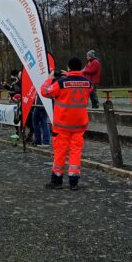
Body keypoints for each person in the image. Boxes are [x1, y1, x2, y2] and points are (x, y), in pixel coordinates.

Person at [41, 57, 91, 189]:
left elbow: (45, 91)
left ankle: (57, 181)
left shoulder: (61, 83)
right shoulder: (88, 83)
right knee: (76, 152)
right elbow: (84, 87)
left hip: (62, 125)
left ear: (68, 67)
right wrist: (71, 75)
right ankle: (74, 182)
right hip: (79, 124)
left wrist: (50, 78)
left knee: (60, 152)